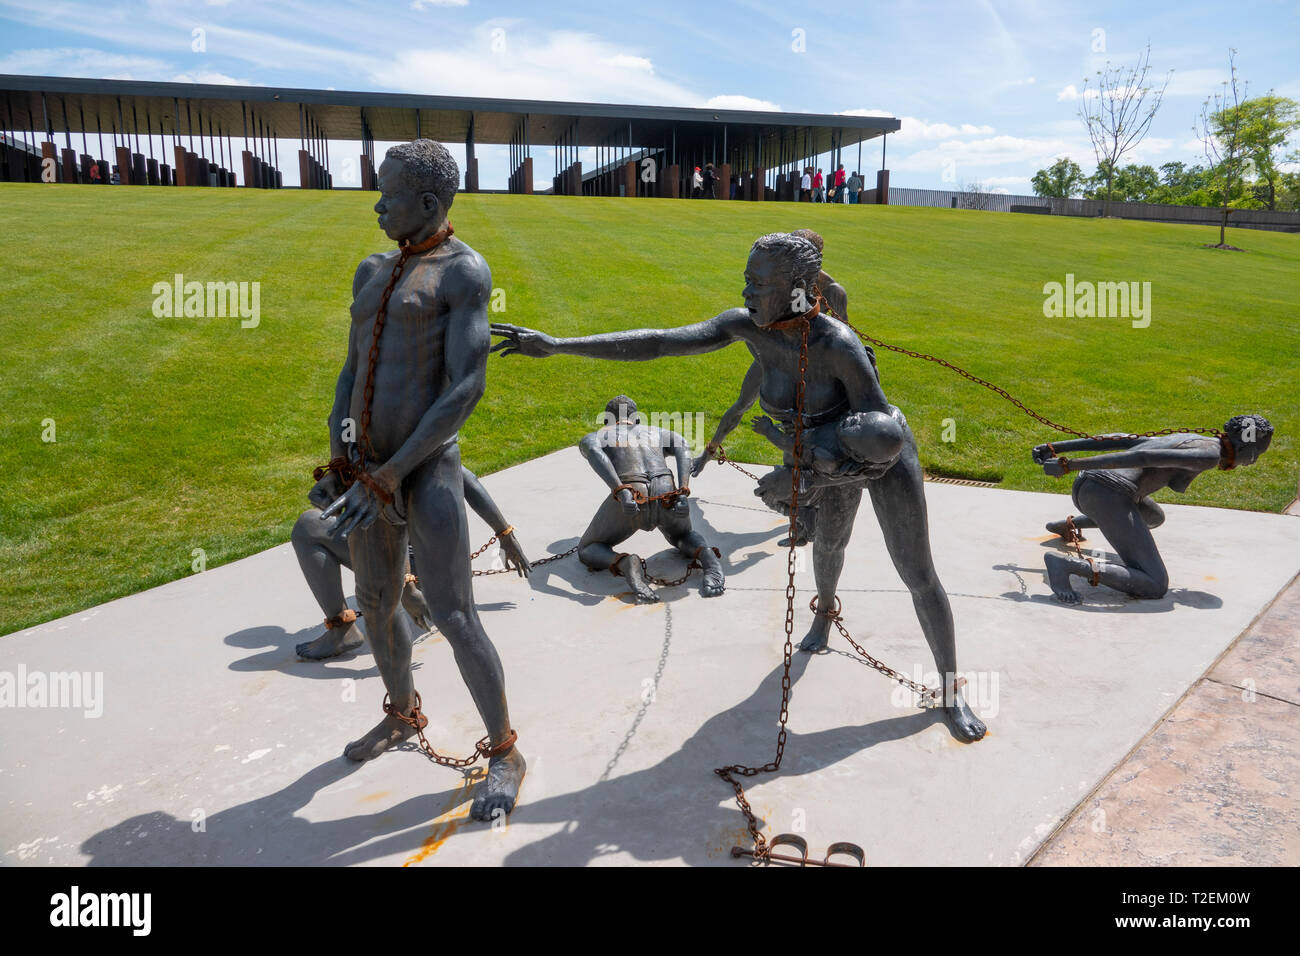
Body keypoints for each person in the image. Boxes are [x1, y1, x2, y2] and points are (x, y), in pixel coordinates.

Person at [490, 231, 986, 741]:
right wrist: (559, 346)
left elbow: (878, 440)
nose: (746, 293)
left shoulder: (837, 345)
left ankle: (952, 691)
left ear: (796, 288)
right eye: (745, 280)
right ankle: (824, 618)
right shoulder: (749, 327)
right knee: (830, 548)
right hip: (817, 458)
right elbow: (660, 342)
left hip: (876, 457)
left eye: (757, 283)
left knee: (917, 572)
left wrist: (803, 477)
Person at [319, 138, 526, 820]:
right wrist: (342, 456)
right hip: (368, 472)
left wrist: (392, 473)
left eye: (391, 195)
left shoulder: (464, 273)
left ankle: (504, 751)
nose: (377, 205)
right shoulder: (370, 269)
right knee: (376, 604)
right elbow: (351, 372)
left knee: (456, 614)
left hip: (425, 470)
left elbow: (465, 388)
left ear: (431, 204)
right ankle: (403, 714)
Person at [292, 466, 530, 660]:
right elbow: (468, 479)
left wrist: (408, 589)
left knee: (307, 526)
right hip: (442, 572)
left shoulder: (386, 448)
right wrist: (505, 534)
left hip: (413, 571)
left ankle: (342, 629)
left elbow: (392, 525)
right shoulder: (427, 446)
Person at [1034, 416, 1273, 604]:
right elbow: (1143, 456)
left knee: (1153, 516)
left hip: (1093, 487)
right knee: (1154, 583)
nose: (1253, 462)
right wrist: (1068, 464)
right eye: (1256, 456)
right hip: (1107, 494)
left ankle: (1069, 525)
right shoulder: (1209, 455)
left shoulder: (1198, 439)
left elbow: (1121, 438)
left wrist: (1055, 447)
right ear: (1244, 449)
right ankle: (1065, 565)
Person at [576, 395, 724, 602]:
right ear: (636, 419)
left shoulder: (602, 434)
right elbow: (682, 444)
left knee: (587, 549)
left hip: (633, 491)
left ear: (607, 420)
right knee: (682, 535)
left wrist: (621, 490)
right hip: (666, 490)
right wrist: (682, 490)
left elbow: (591, 448)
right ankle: (707, 557)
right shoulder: (656, 431)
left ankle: (624, 563)